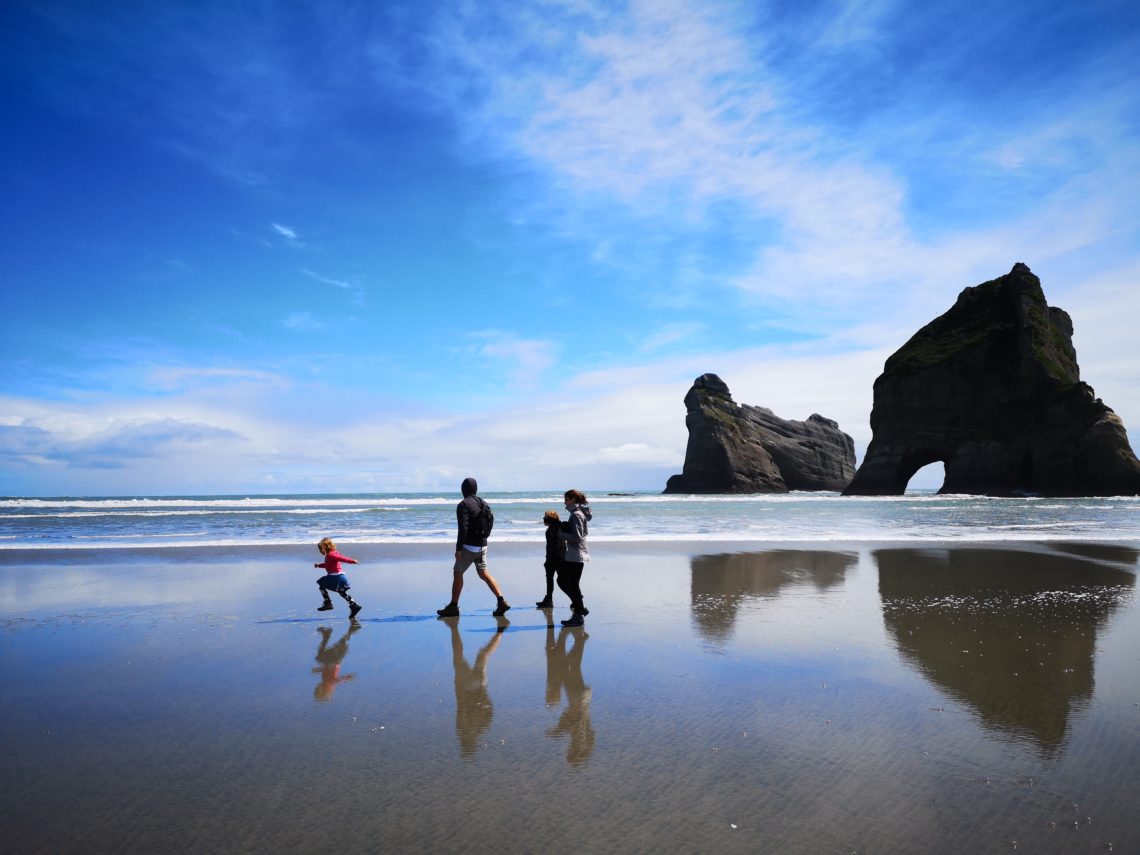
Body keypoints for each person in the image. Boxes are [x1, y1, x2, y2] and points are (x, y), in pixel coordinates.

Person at [437, 477, 510, 617]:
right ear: (475, 489)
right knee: (484, 573)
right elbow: (491, 521)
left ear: (463, 489)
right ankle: (501, 600)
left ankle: (453, 606)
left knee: (457, 572)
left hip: (469, 547)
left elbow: (463, 528)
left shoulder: (463, 505)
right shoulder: (483, 503)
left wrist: (458, 548)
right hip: (482, 546)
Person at [557, 489, 592, 627]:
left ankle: (579, 613)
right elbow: (584, 533)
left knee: (568, 582)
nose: (564, 502)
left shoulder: (576, 515)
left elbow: (577, 537)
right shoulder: (578, 513)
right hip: (576, 554)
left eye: (566, 499)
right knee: (567, 582)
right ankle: (580, 608)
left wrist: (561, 534)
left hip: (576, 555)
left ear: (573, 500)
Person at [314, 537, 362, 618]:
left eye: (320, 549)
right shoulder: (332, 554)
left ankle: (328, 603)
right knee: (342, 592)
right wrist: (319, 565)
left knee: (322, 586)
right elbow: (328, 565)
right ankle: (354, 606)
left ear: (325, 547)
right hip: (340, 576)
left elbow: (342, 558)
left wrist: (352, 561)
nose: (320, 551)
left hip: (335, 577)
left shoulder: (331, 554)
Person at [536, 510, 563, 609]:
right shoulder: (556, 528)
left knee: (559, 581)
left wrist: (548, 560)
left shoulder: (552, 530)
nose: (543, 519)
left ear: (551, 519)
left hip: (554, 559)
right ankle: (548, 599)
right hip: (559, 558)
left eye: (545, 517)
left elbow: (555, 546)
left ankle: (577, 601)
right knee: (560, 581)